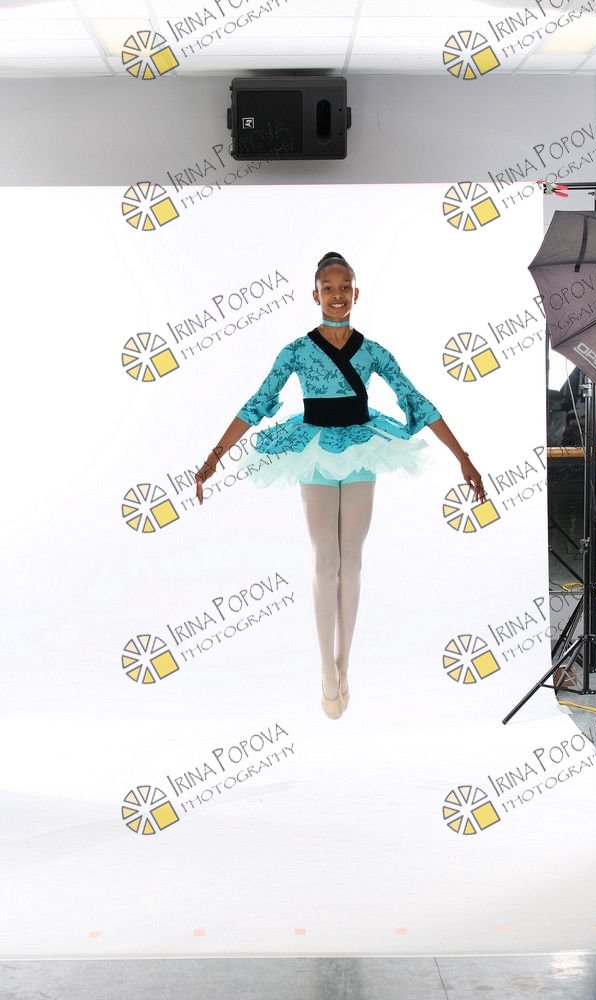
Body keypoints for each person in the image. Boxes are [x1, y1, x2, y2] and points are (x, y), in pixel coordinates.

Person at [194, 251, 485, 720]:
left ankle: (343, 665)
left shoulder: (373, 351)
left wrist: (463, 458)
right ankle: (324, 670)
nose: (336, 295)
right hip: (312, 450)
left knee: (351, 562)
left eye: (343, 287)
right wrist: (214, 456)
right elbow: (258, 402)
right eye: (327, 288)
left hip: (362, 450)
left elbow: (415, 399)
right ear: (314, 295)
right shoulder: (296, 351)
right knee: (324, 561)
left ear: (356, 293)